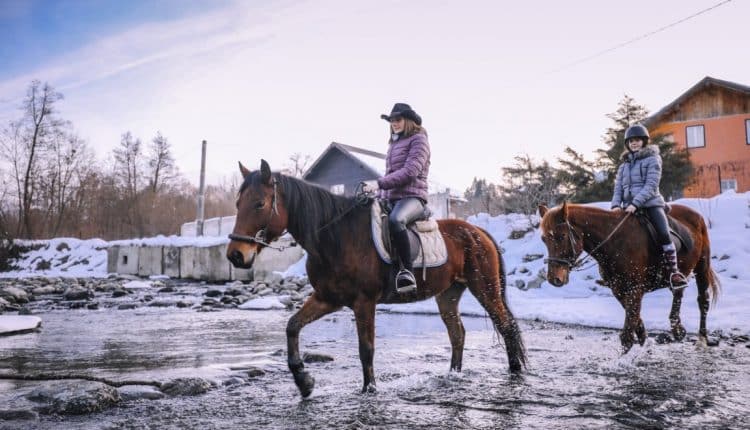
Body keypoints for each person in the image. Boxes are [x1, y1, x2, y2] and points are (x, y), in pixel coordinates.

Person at [611, 124, 688, 290]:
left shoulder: (653, 159)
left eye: (637, 140)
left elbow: (651, 185)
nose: (634, 143)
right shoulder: (624, 165)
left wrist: (635, 203)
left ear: (644, 141)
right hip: (627, 208)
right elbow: (618, 188)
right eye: (631, 141)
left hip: (651, 204)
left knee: (663, 233)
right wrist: (616, 205)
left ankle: (673, 273)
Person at [376, 103, 431, 294]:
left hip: (413, 197)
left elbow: (410, 172)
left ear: (408, 121)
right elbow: (389, 174)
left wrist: (379, 184)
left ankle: (407, 272)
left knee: (396, 220)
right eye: (391, 121)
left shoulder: (419, 140)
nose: (394, 123)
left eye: (398, 120)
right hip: (393, 198)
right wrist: (378, 196)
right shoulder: (393, 144)